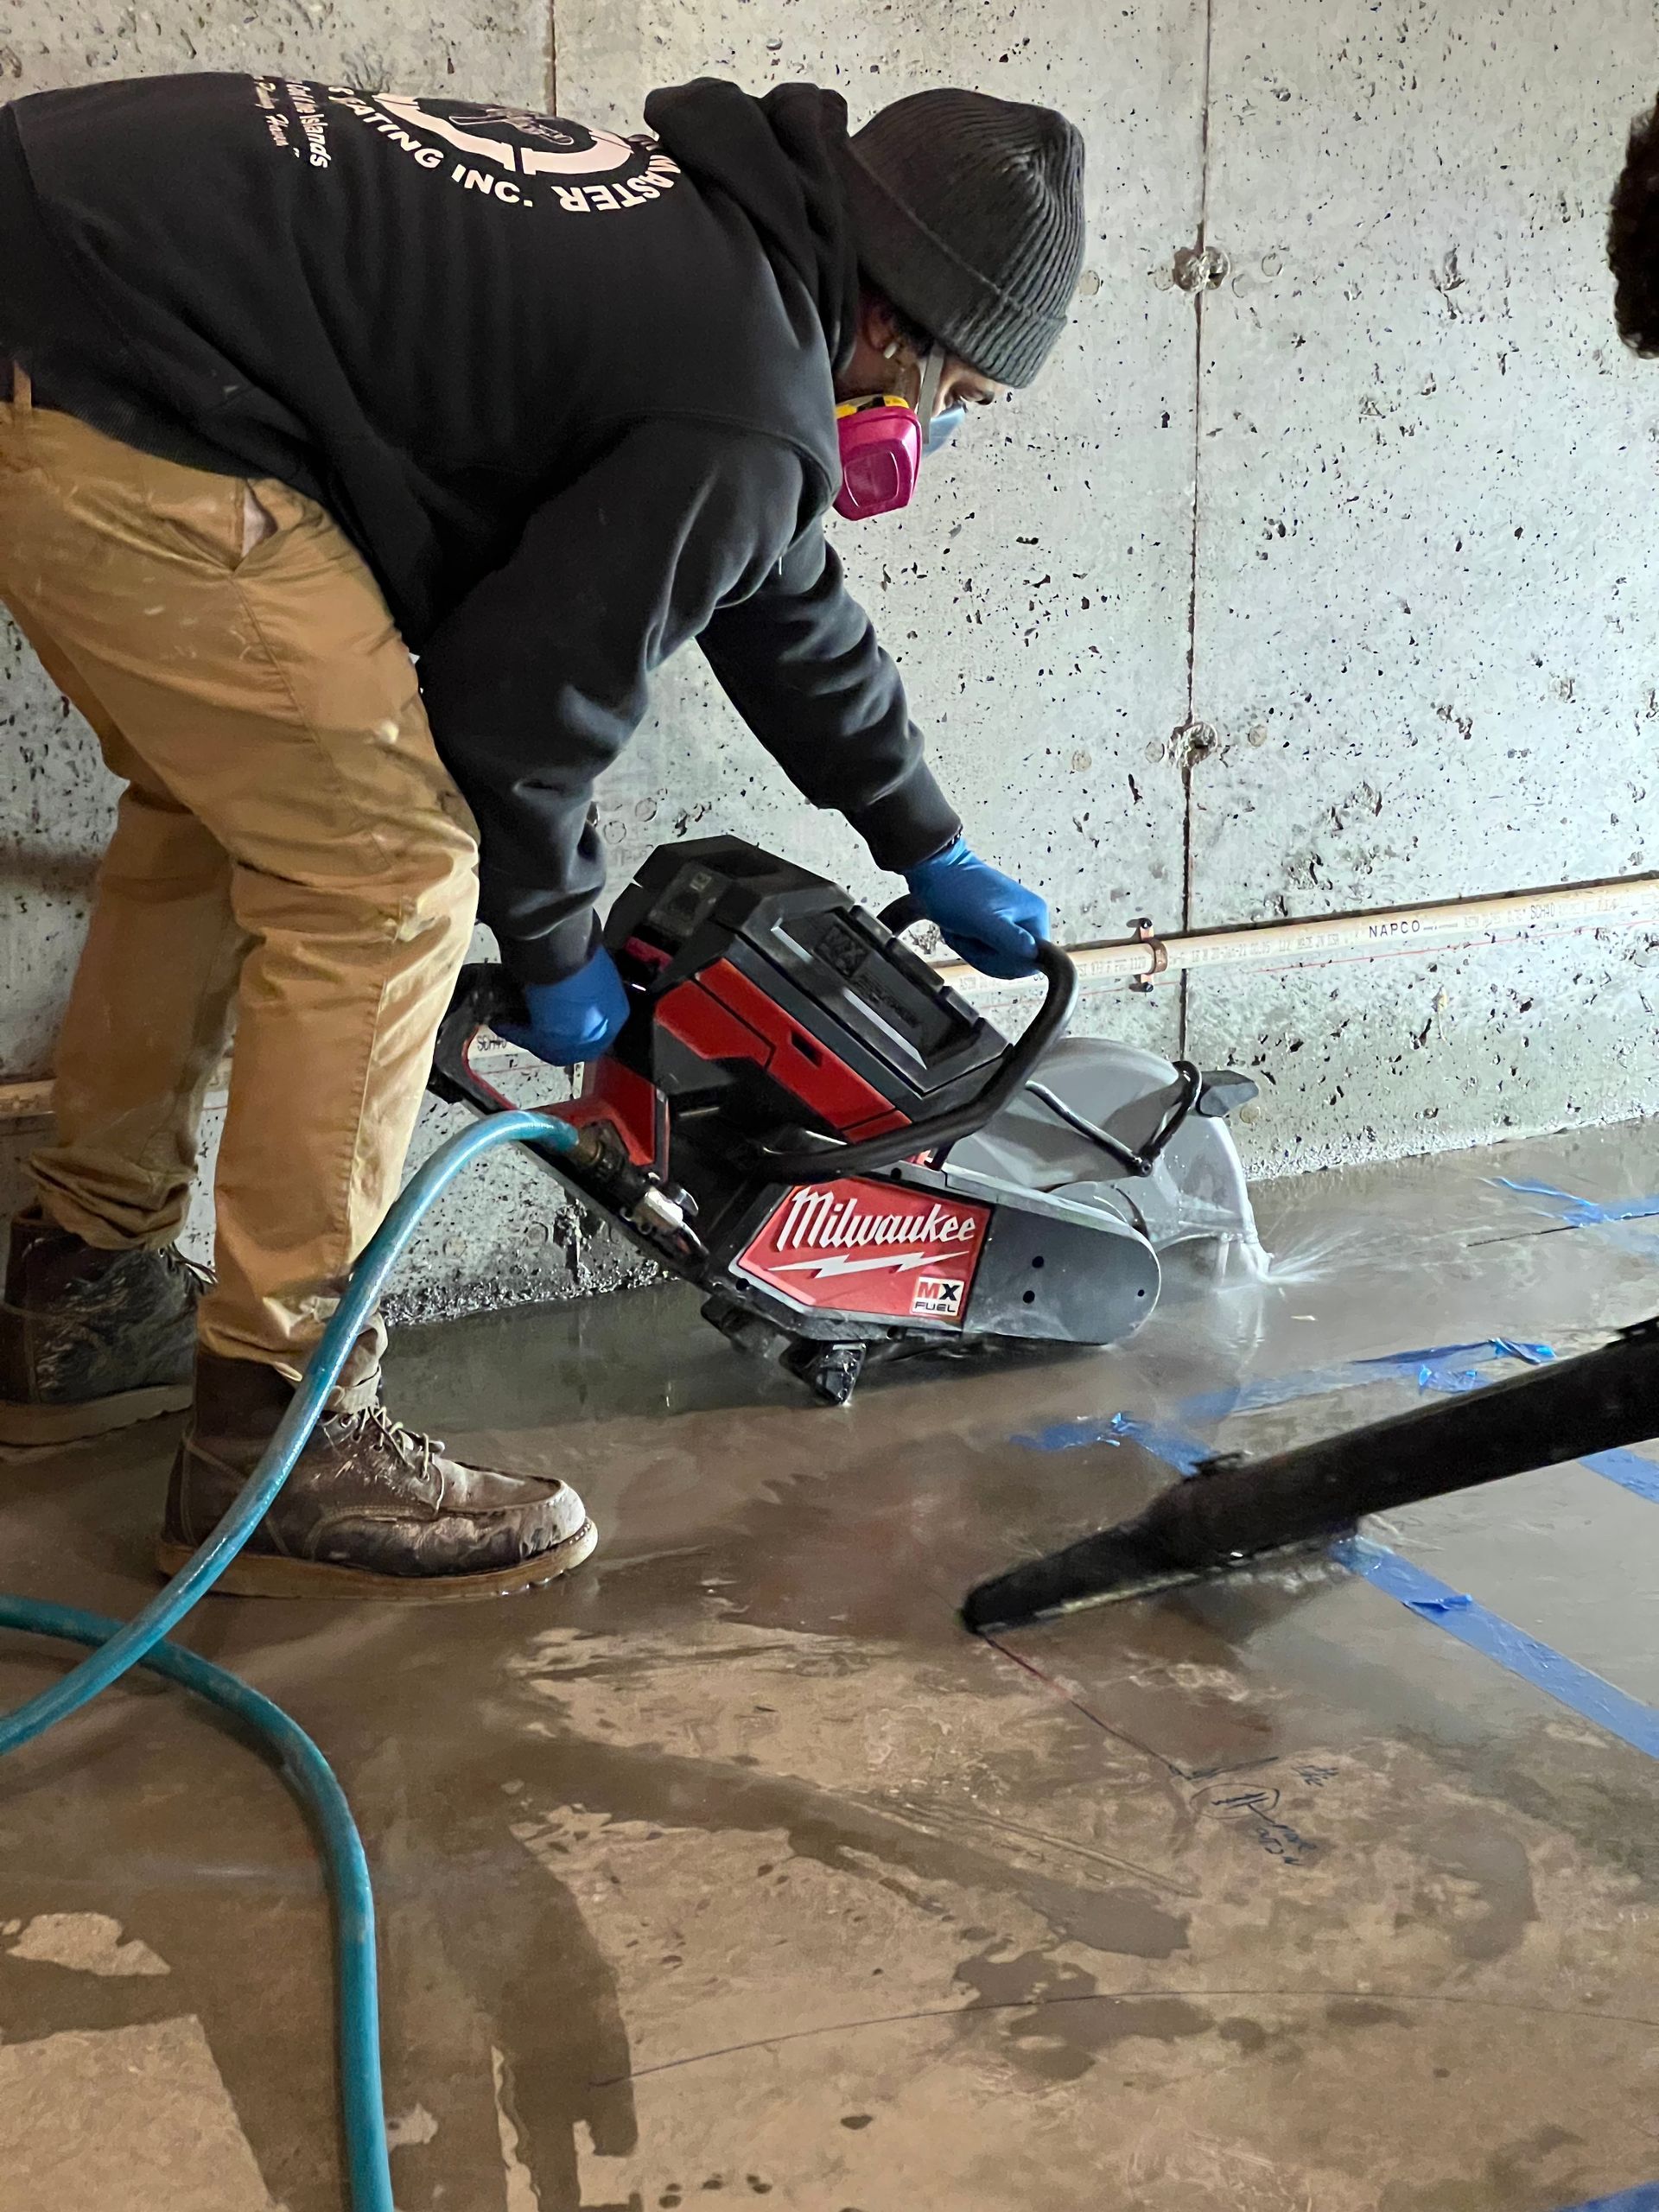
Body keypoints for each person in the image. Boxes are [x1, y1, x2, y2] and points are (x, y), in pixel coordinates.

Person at [0, 72, 1085, 1596]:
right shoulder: (747, 382)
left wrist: (928, 842)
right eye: (954, 403)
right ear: (898, 327)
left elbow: (782, 600)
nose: (933, 437)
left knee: (234, 802)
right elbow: (519, 712)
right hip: (111, 365)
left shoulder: (725, 258)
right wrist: (557, 944)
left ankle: (81, 1291)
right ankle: (286, 1443)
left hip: (57, 303)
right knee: (387, 875)